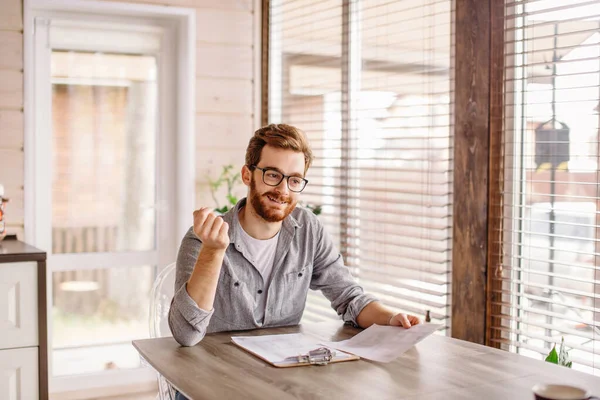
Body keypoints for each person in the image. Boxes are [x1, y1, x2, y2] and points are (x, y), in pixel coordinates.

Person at [168, 123, 420, 349]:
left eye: (295, 180)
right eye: (273, 175)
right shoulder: (204, 238)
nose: (282, 190)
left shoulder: (308, 229)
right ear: (247, 175)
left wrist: (390, 318)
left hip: (281, 375)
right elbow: (185, 335)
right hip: (215, 378)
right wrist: (213, 252)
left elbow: (349, 298)